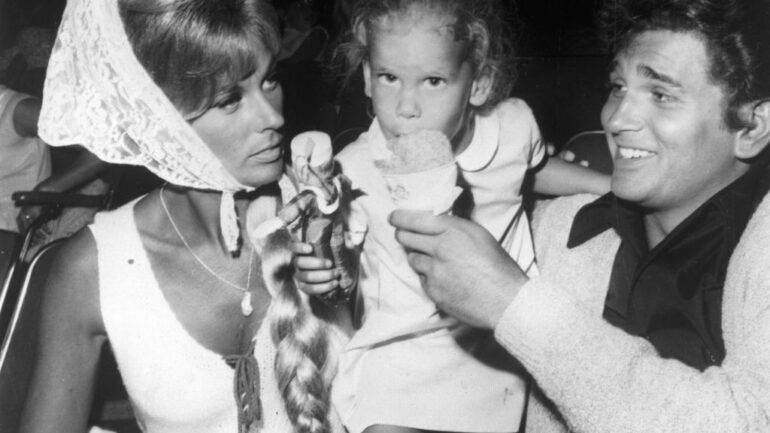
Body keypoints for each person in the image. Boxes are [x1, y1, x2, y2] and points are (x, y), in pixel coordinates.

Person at [390, 0, 770, 431]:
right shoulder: (555, 232)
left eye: (661, 95)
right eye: (618, 87)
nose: (615, 117)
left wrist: (514, 305)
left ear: (753, 127)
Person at [18, 0, 348, 432]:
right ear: (158, 116)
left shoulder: (326, 214)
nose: (273, 116)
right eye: (231, 99)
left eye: (269, 80)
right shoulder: (92, 270)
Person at [295, 1, 610, 432]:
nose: (406, 106)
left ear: (478, 84)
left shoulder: (514, 125)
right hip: (397, 367)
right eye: (389, 77)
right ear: (367, 77)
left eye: (433, 81)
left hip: (494, 366)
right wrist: (319, 274)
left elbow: (533, 172)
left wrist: (608, 189)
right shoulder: (355, 169)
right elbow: (344, 276)